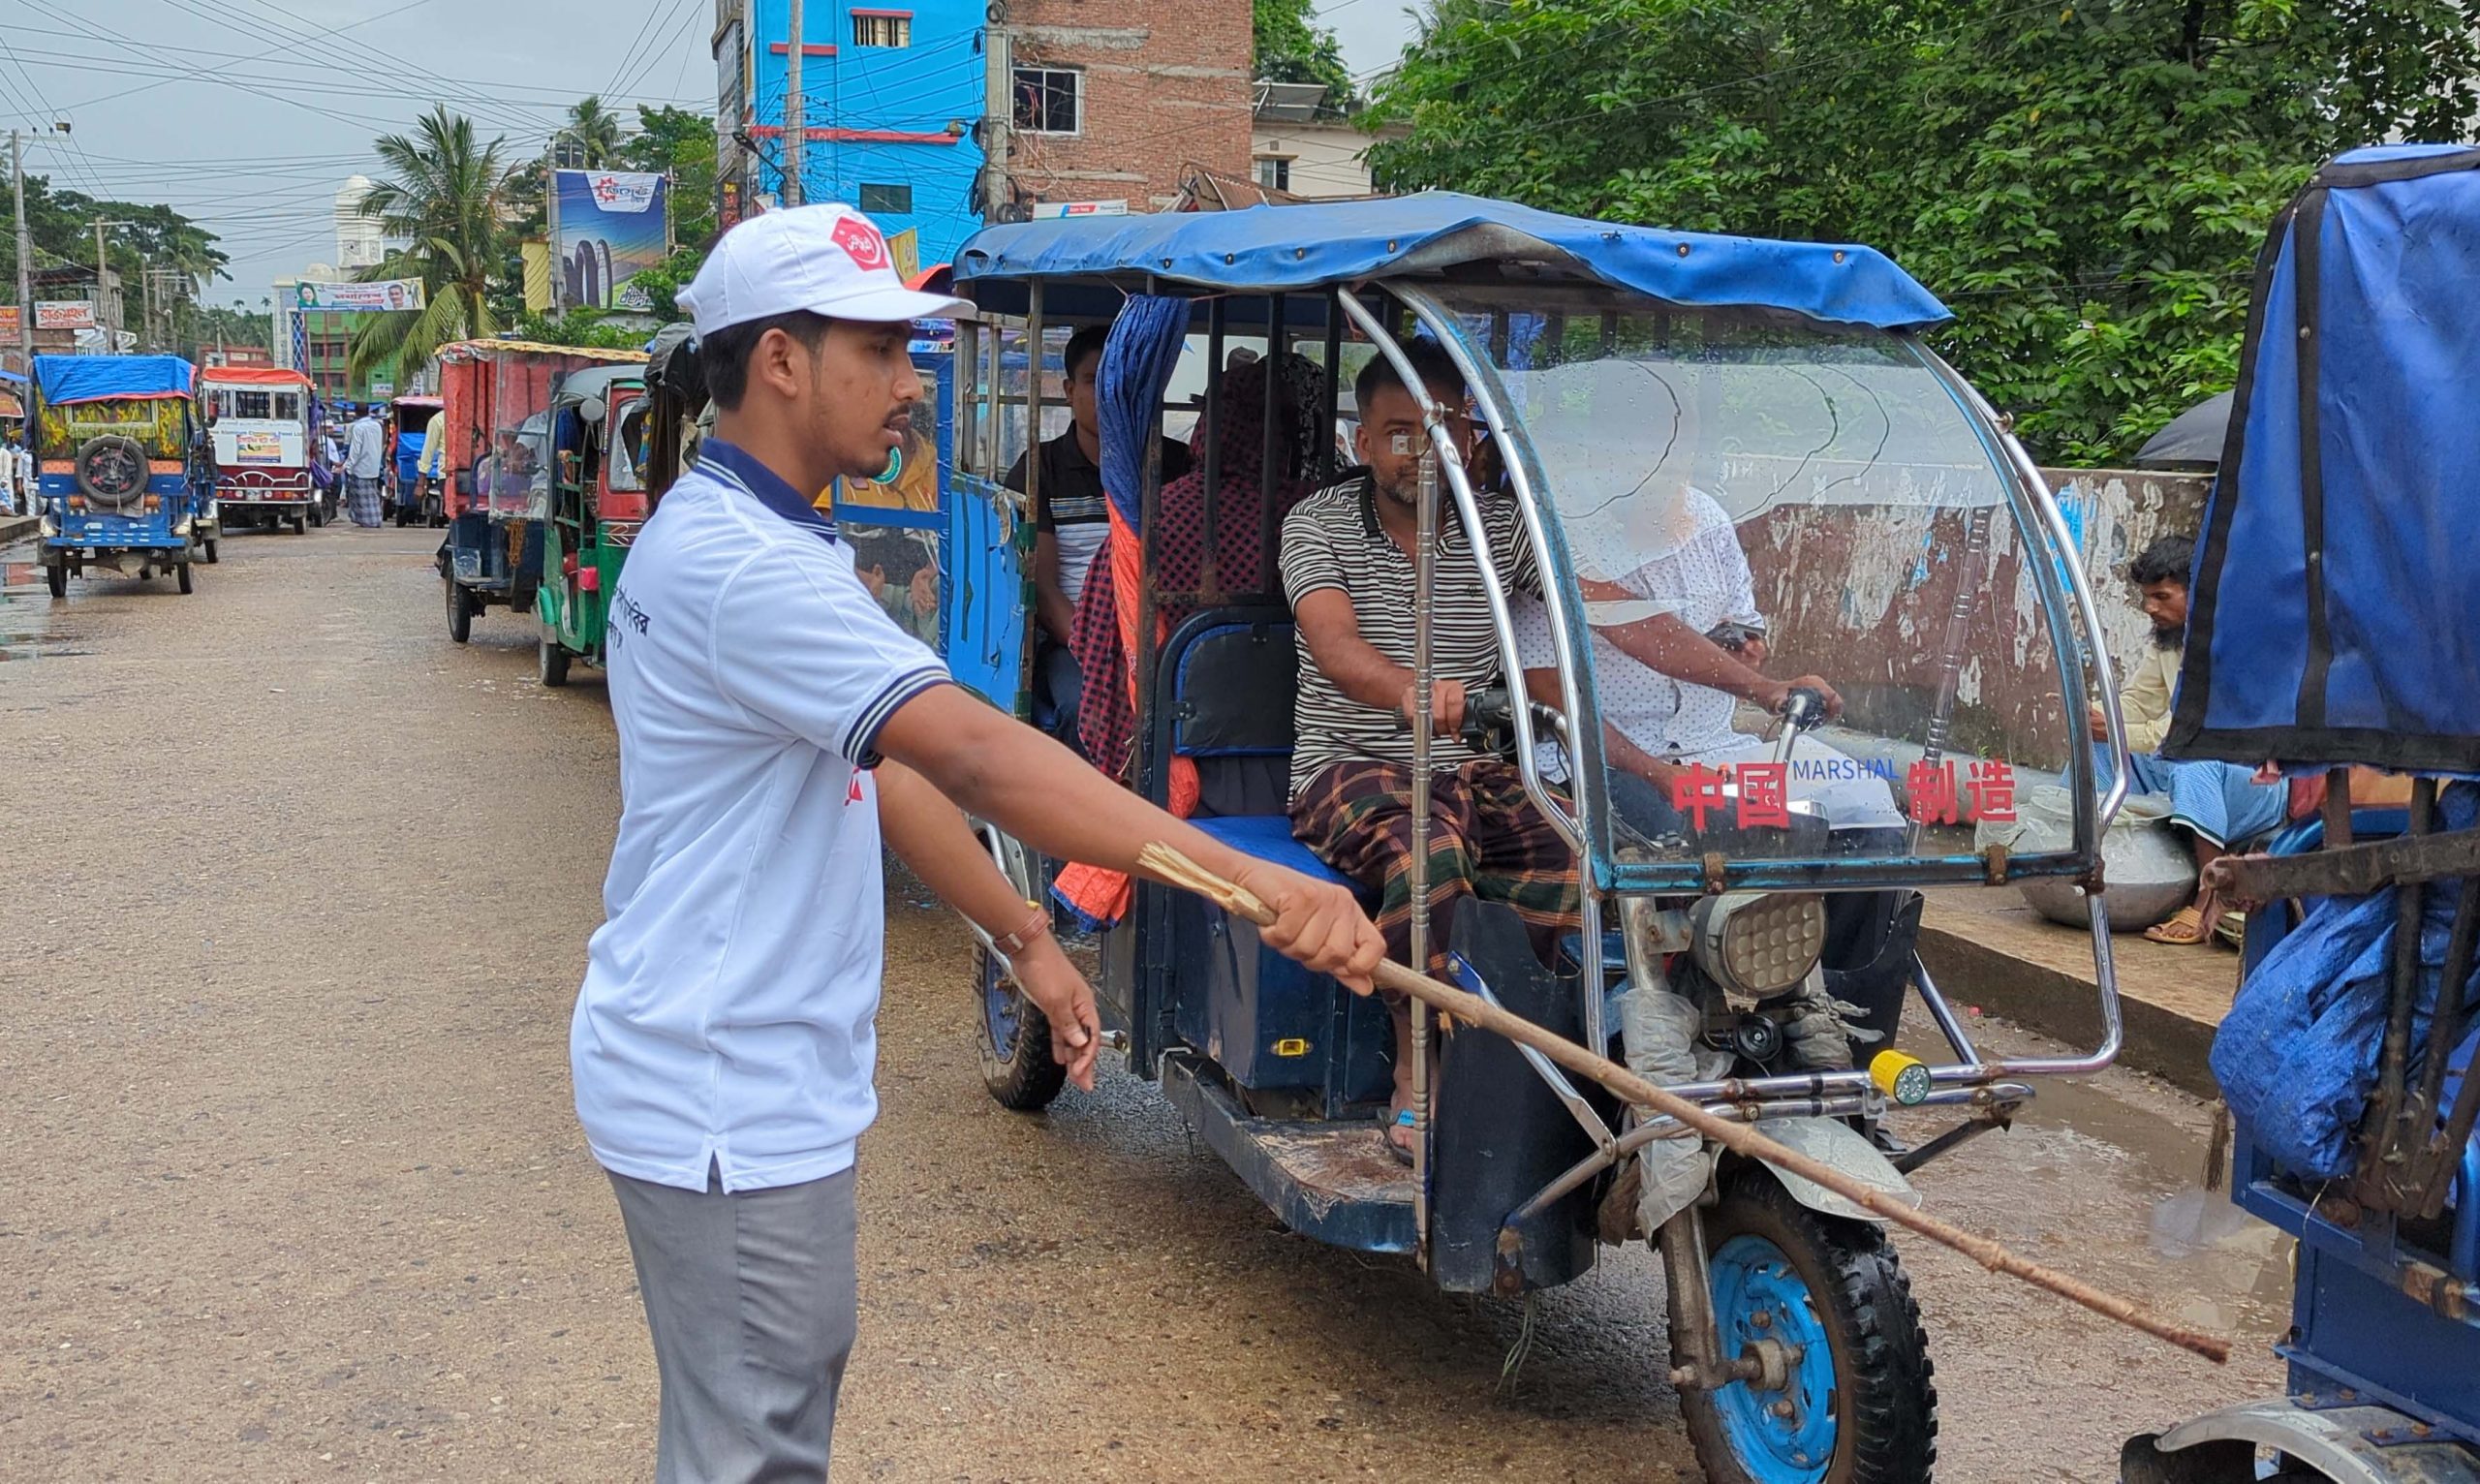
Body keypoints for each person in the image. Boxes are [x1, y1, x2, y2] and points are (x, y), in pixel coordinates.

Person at [570, 201, 1384, 1484]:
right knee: (755, 1450)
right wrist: (1257, 880)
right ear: (781, 360)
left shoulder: (763, 537)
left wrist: (1026, 938)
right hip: (721, 1082)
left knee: (755, 1429)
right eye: (882, 353)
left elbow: (873, 771)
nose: (911, 386)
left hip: (730, 1068)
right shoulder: (748, 567)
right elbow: (978, 756)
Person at [1283, 338, 1577, 1161]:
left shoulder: (1494, 528)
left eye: (1447, 429)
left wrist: (1740, 672)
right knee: (1430, 852)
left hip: (1469, 766)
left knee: (1570, 850)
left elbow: (1592, 598)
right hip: (1350, 763)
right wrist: (1416, 692)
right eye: (1405, 430)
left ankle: (1505, 1044)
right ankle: (1420, 1063)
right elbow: (1335, 644)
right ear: (1363, 442)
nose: (1428, 449)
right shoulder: (1318, 524)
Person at [2091, 532, 2286, 945]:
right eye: (2146, 596)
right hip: (2185, 756)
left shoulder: (2236, 642)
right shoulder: (2166, 641)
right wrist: (2096, 716)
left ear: (2196, 592)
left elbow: (2195, 730)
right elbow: (2138, 703)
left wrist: (2121, 731)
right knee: (2094, 748)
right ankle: (2098, 859)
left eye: (2162, 596)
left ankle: (2208, 899)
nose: (2149, 607)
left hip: (2252, 783)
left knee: (2195, 759)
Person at [1007, 322, 1193, 749]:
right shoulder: (1042, 468)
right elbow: (1045, 588)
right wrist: (1103, 651)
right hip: (1076, 643)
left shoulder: (1176, 464)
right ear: (1070, 391)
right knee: (1082, 709)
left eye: (1122, 381)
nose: (1110, 394)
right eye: (1094, 381)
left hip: (1164, 639)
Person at [343, 402, 386, 527]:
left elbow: (355, 450)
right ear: (368, 411)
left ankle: (368, 521)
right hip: (374, 468)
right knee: (373, 496)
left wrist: (348, 467)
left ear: (356, 413)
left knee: (362, 500)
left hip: (360, 469)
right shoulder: (377, 426)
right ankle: (376, 519)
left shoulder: (358, 428)